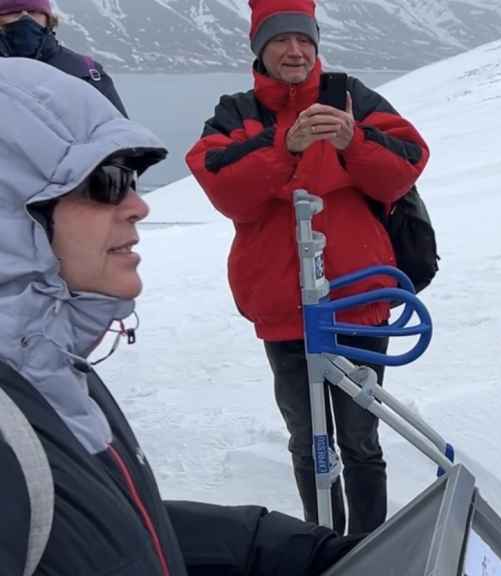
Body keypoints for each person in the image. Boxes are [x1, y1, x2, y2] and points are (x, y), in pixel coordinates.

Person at [0, 57, 361, 576]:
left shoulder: (52, 368)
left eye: (132, 179)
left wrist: (285, 550)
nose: (137, 206)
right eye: (105, 181)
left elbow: (108, 531)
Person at [186, 0, 429, 534]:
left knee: (360, 438)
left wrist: (352, 139)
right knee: (308, 440)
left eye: (304, 40)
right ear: (260, 48)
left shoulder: (350, 99)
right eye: (280, 40)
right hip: (284, 307)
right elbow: (225, 189)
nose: (295, 51)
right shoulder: (237, 112)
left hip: (355, 303)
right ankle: (320, 546)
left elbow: (405, 165)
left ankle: (368, 548)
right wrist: (284, 145)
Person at [0, 0, 127, 115]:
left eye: (33, 12)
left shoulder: (87, 71)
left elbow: (120, 131)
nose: (25, 17)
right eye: (14, 12)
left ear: (48, 18)